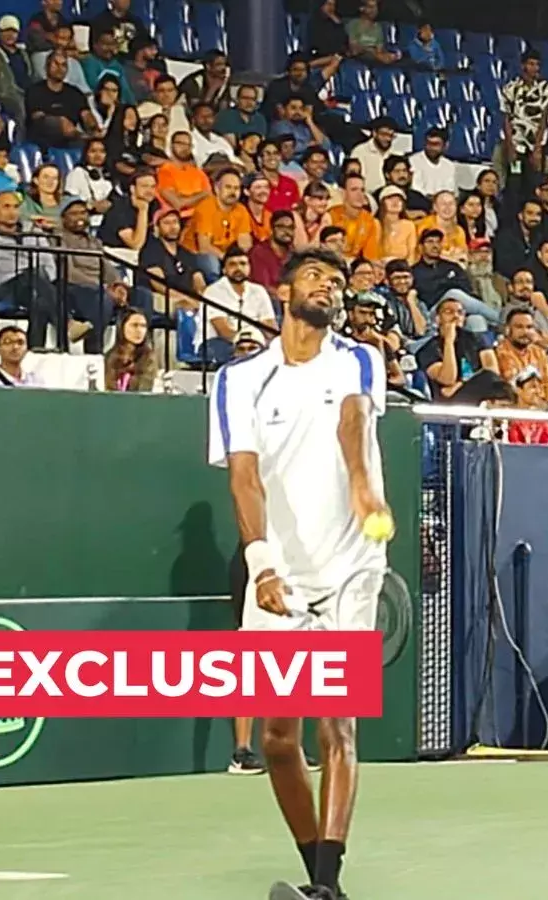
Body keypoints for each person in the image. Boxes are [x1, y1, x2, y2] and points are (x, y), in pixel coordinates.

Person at [207, 249, 389, 900]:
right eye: (316, 277)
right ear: (284, 291)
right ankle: (319, 873)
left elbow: (352, 421)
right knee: (279, 739)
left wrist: (364, 487)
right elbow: (244, 476)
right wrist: (260, 563)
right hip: (280, 571)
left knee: (336, 724)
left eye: (337, 282)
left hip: (351, 564)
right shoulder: (238, 379)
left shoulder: (360, 358)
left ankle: (327, 882)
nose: (329, 288)